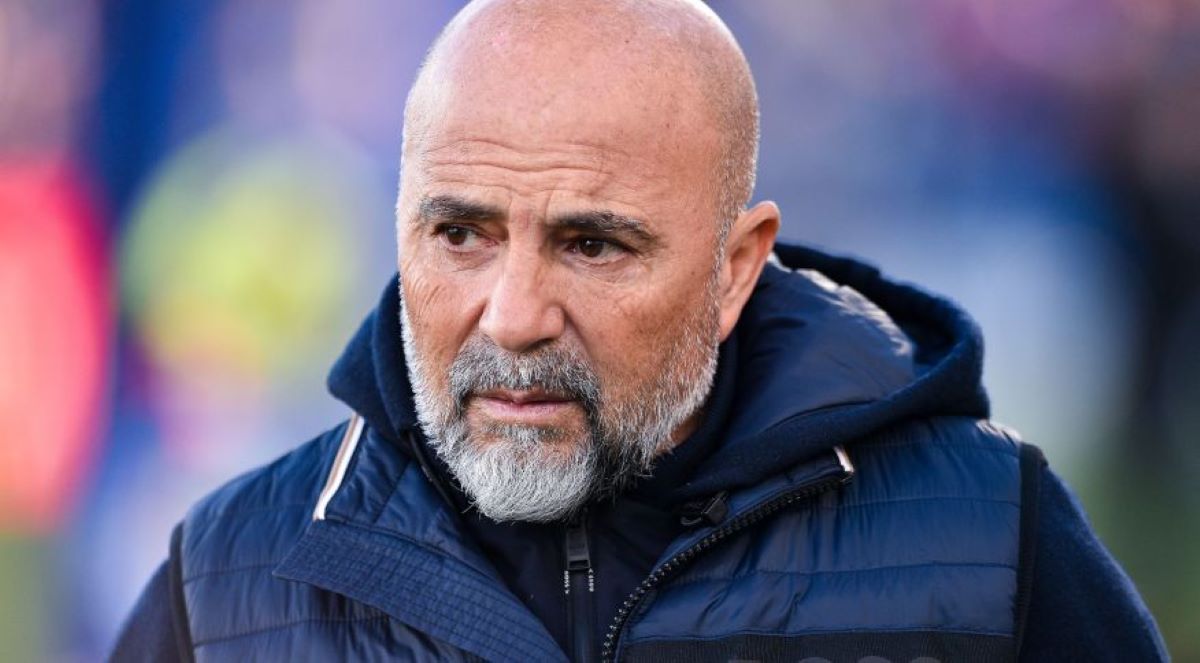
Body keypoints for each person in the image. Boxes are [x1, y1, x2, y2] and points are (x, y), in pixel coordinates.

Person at [111, 1, 1168, 661]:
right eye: (461, 235)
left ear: (735, 269)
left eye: (593, 246)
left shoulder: (985, 541)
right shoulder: (231, 579)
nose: (514, 317)